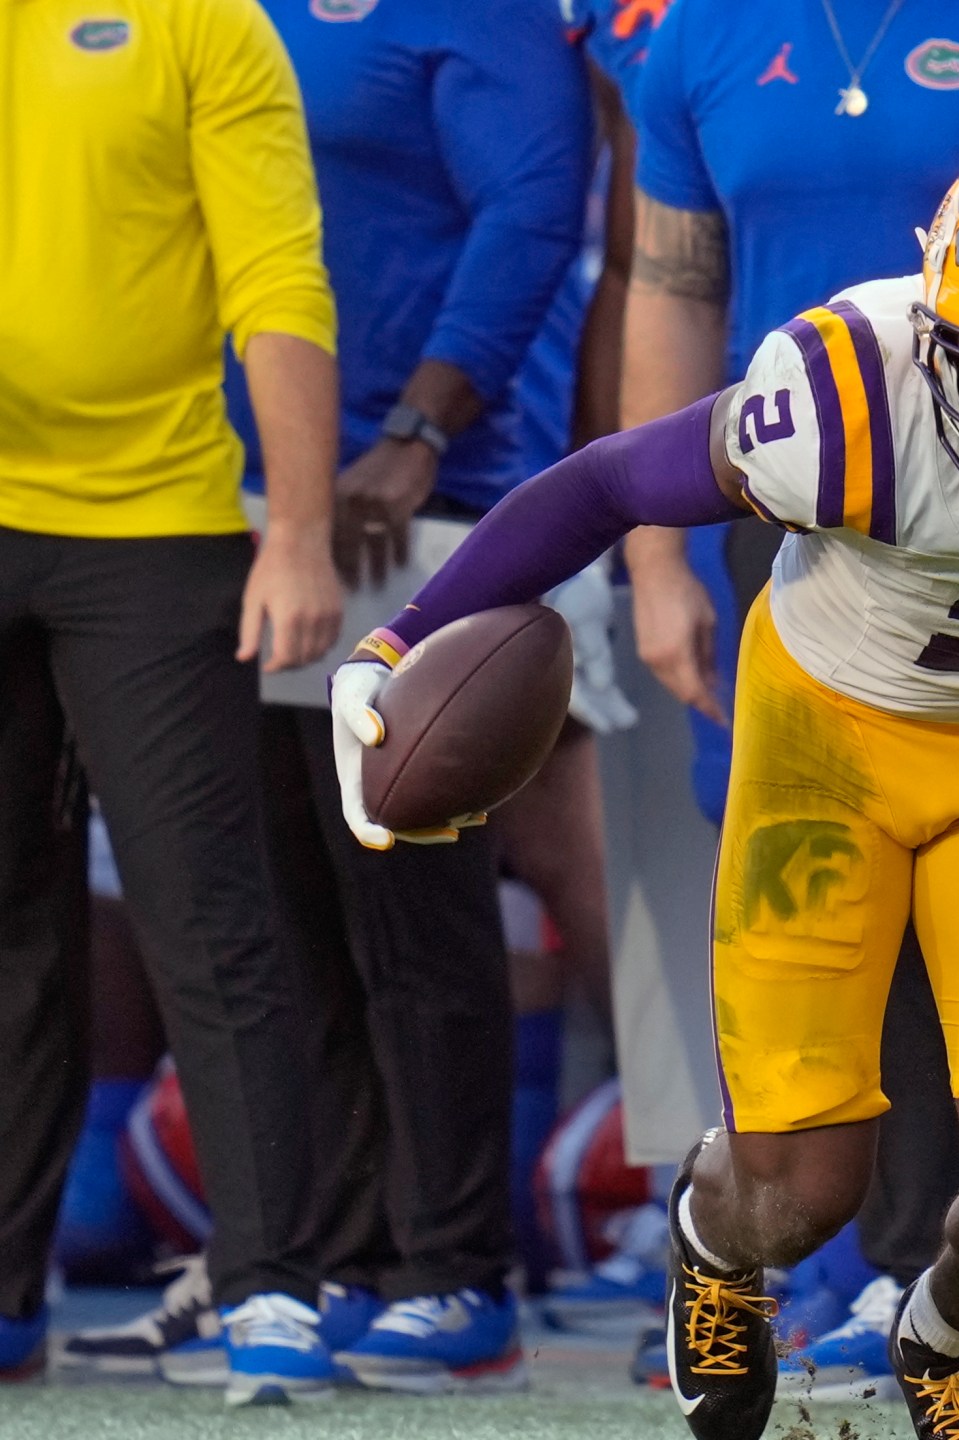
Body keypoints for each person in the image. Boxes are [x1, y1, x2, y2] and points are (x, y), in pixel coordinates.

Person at [322, 136, 959, 1440]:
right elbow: (600, 485)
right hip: (828, 739)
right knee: (798, 1192)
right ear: (939, 338)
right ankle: (712, 1242)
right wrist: (397, 639)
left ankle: (939, 1338)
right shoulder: (840, 397)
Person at [199, 0, 591, 1396]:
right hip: (238, 499)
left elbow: (536, 206)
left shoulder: (471, 13)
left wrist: (422, 429)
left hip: (409, 510)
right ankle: (350, 1256)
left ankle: (457, 1267)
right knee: (288, 899)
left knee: (410, 898)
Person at [0, 0, 345, 1402]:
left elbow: (276, 275)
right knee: (9, 923)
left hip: (154, 527)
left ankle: (268, 1291)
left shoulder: (207, 23)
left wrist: (302, 529)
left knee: (207, 916)